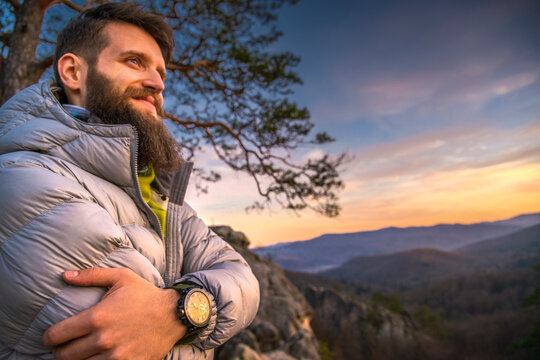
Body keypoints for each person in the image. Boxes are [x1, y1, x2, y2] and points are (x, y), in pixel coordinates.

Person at [0, 3, 259, 359]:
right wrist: (198, 312)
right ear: (74, 72)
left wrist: (178, 309)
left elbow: (242, 277)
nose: (157, 84)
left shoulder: (154, 191)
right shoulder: (22, 180)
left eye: (161, 73)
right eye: (134, 61)